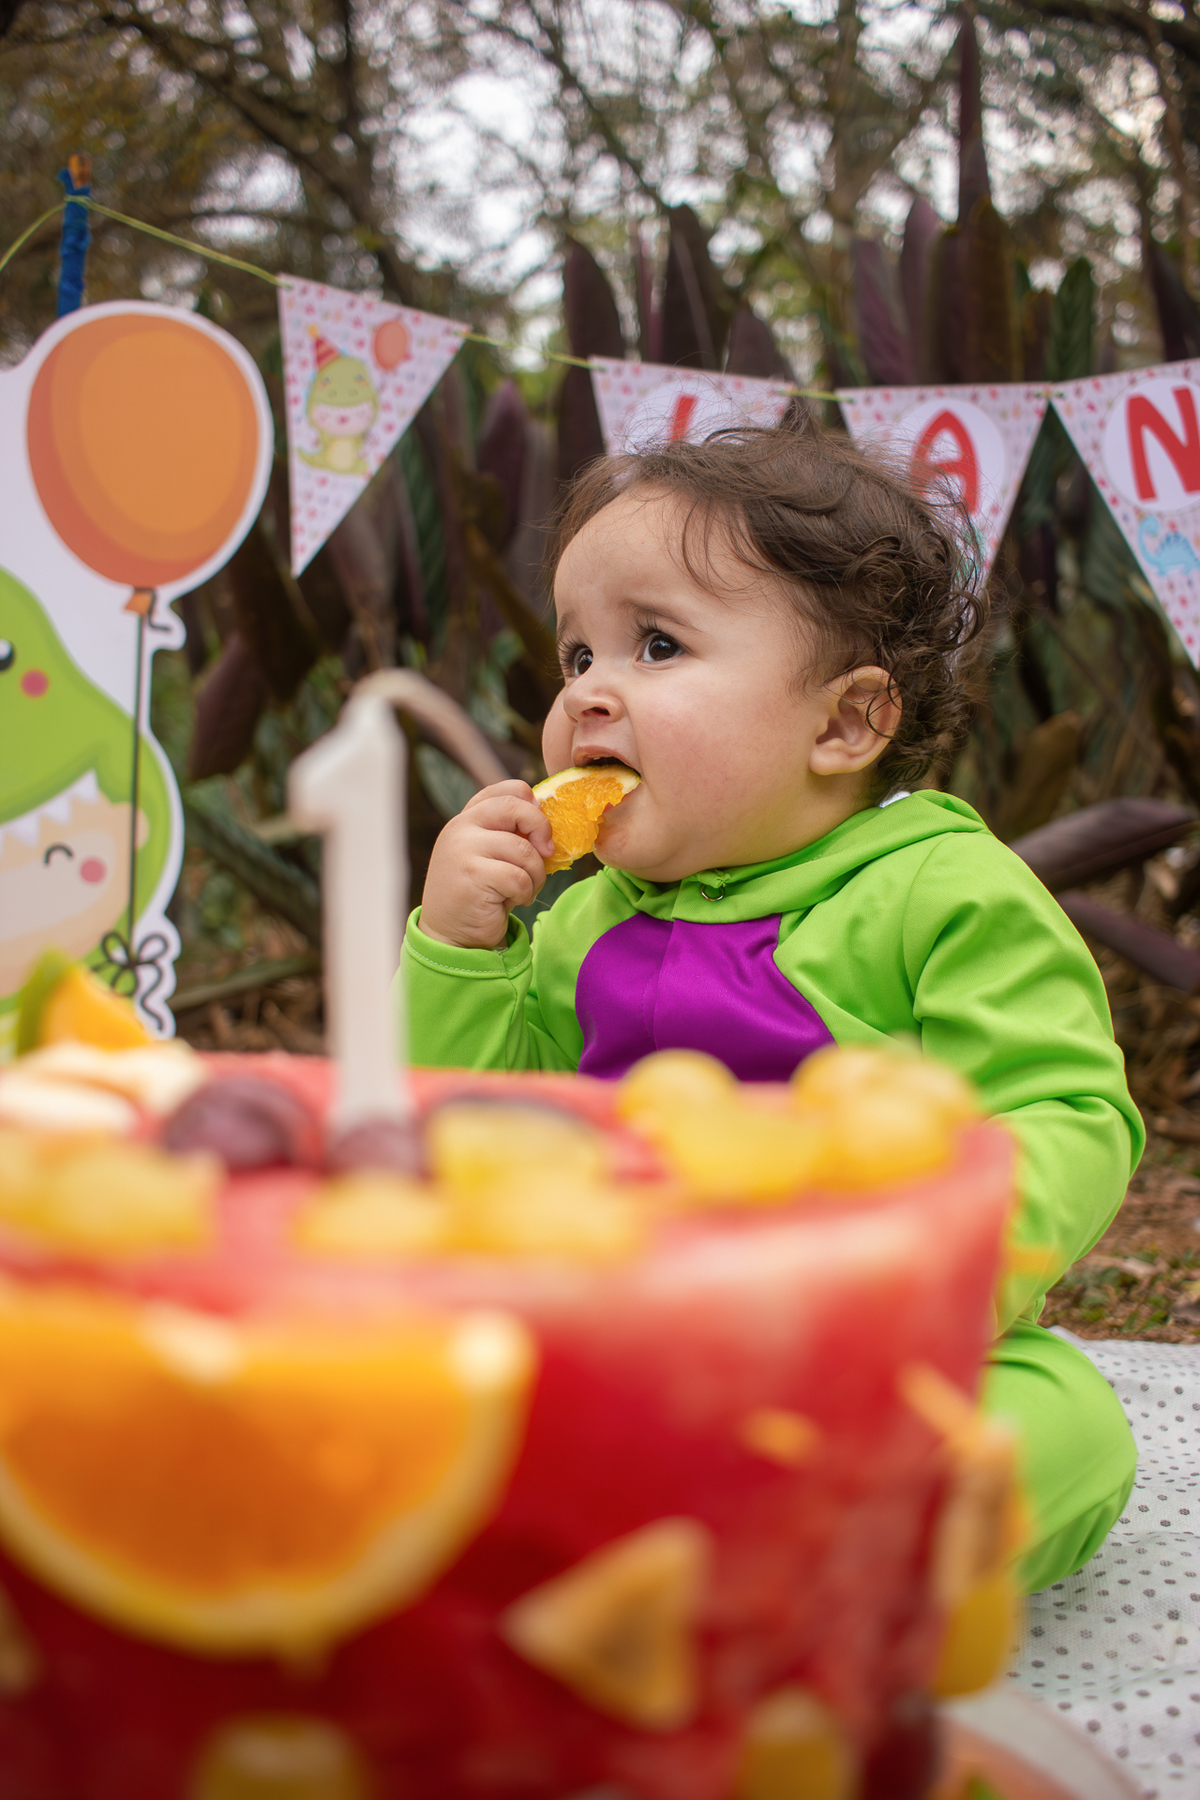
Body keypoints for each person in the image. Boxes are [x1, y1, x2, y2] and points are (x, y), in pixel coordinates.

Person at [400, 419, 1142, 1595]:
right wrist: (459, 949)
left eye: (654, 645)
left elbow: (1061, 1111)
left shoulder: (939, 891)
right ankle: (626, 1526)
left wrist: (915, 1270)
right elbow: (473, 1124)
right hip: (619, 1337)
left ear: (845, 724)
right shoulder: (586, 920)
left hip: (867, 1351)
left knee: (1064, 1420)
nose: (590, 695)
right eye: (574, 657)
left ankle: (813, 1550)